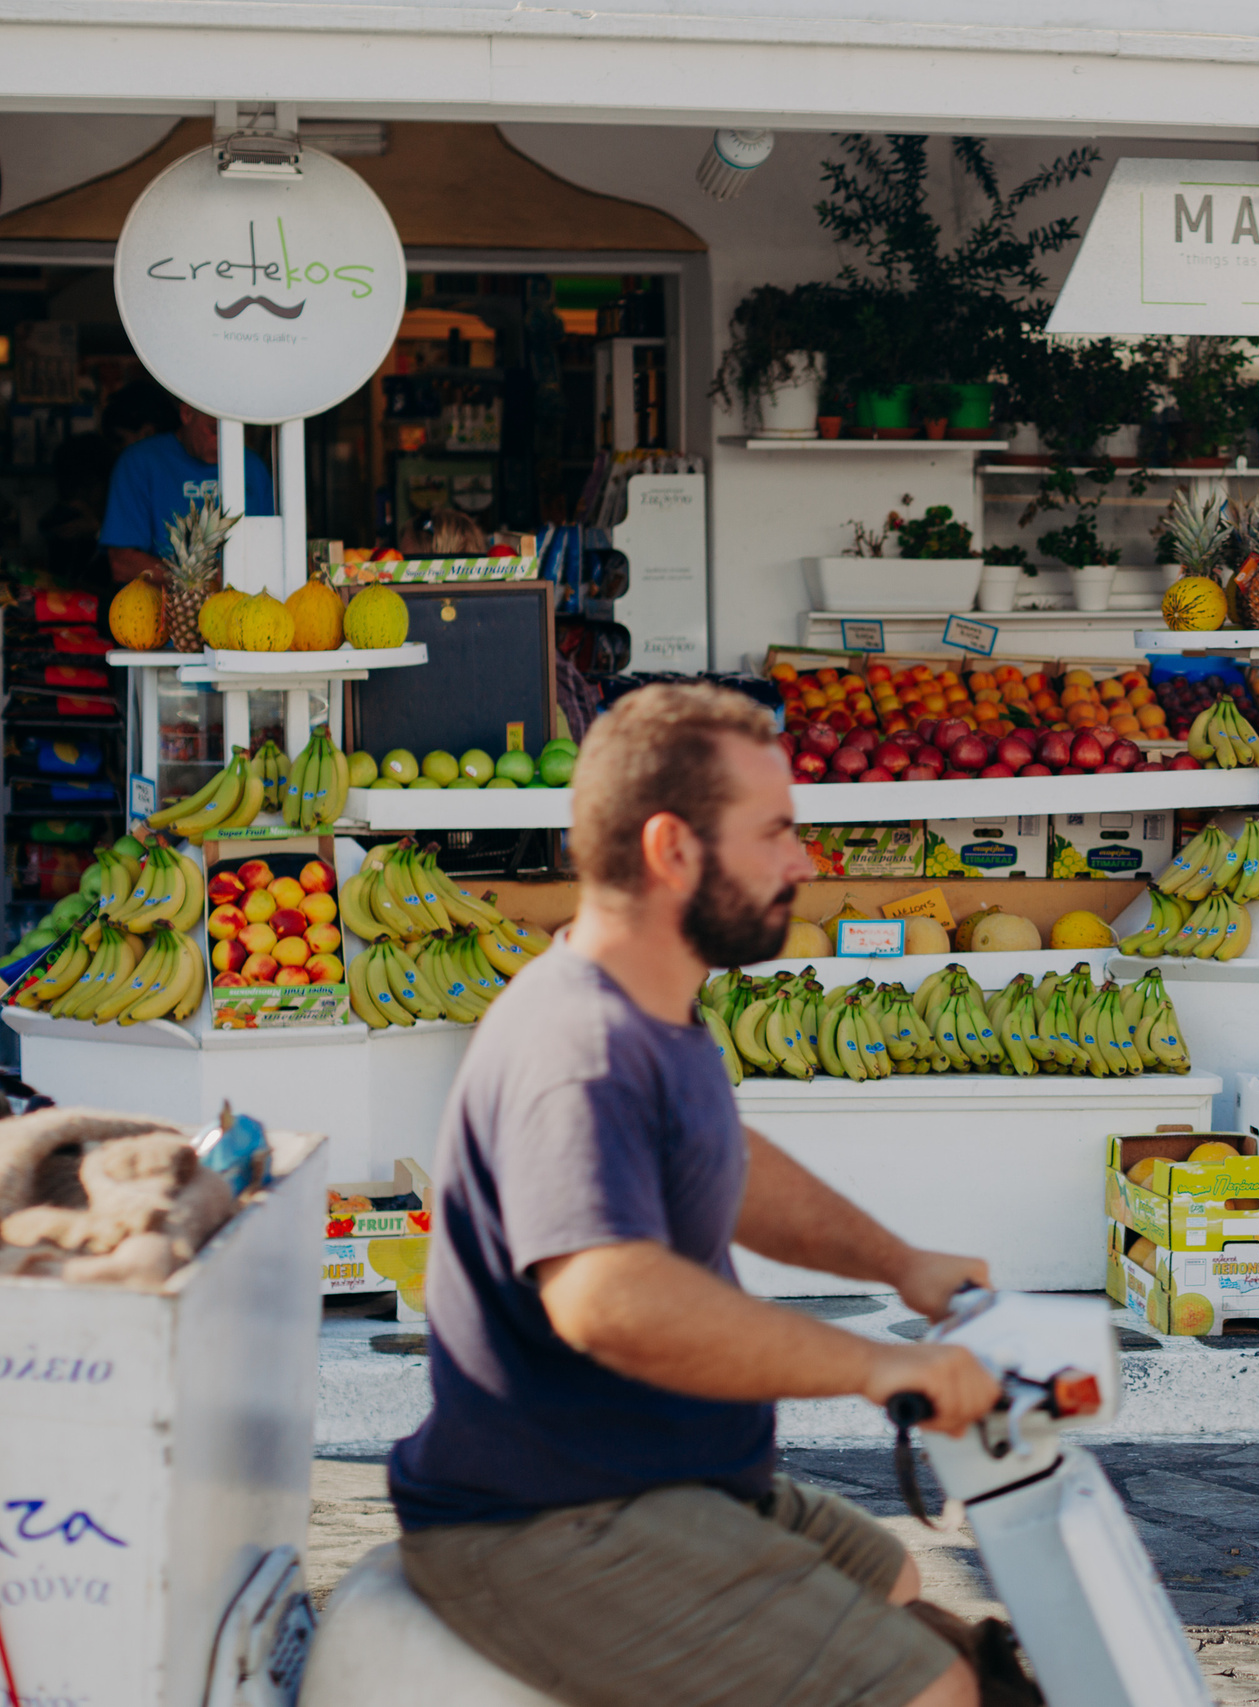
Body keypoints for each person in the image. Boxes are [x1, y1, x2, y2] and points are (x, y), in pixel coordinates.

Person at [387, 682, 1004, 1707]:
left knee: (896, 1580)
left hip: (662, 1481)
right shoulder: (580, 1047)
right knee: (931, 1688)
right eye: (774, 833)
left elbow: (727, 1156)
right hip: (548, 1520)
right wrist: (876, 1366)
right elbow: (609, 1299)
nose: (802, 864)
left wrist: (902, 1265)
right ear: (672, 849)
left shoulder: (651, 1010)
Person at [99, 393, 273, 584]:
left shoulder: (252, 467)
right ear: (187, 414)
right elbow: (122, 563)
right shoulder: (140, 462)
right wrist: (200, 583)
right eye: (214, 430)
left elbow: (270, 551)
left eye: (233, 433)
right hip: (162, 606)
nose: (222, 442)